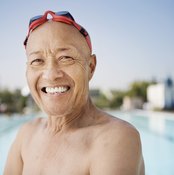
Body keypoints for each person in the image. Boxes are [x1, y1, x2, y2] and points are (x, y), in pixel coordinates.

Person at [4, 10, 145, 175]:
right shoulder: (26, 135)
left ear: (90, 67)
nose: (51, 74)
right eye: (37, 61)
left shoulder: (116, 138)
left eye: (65, 58)